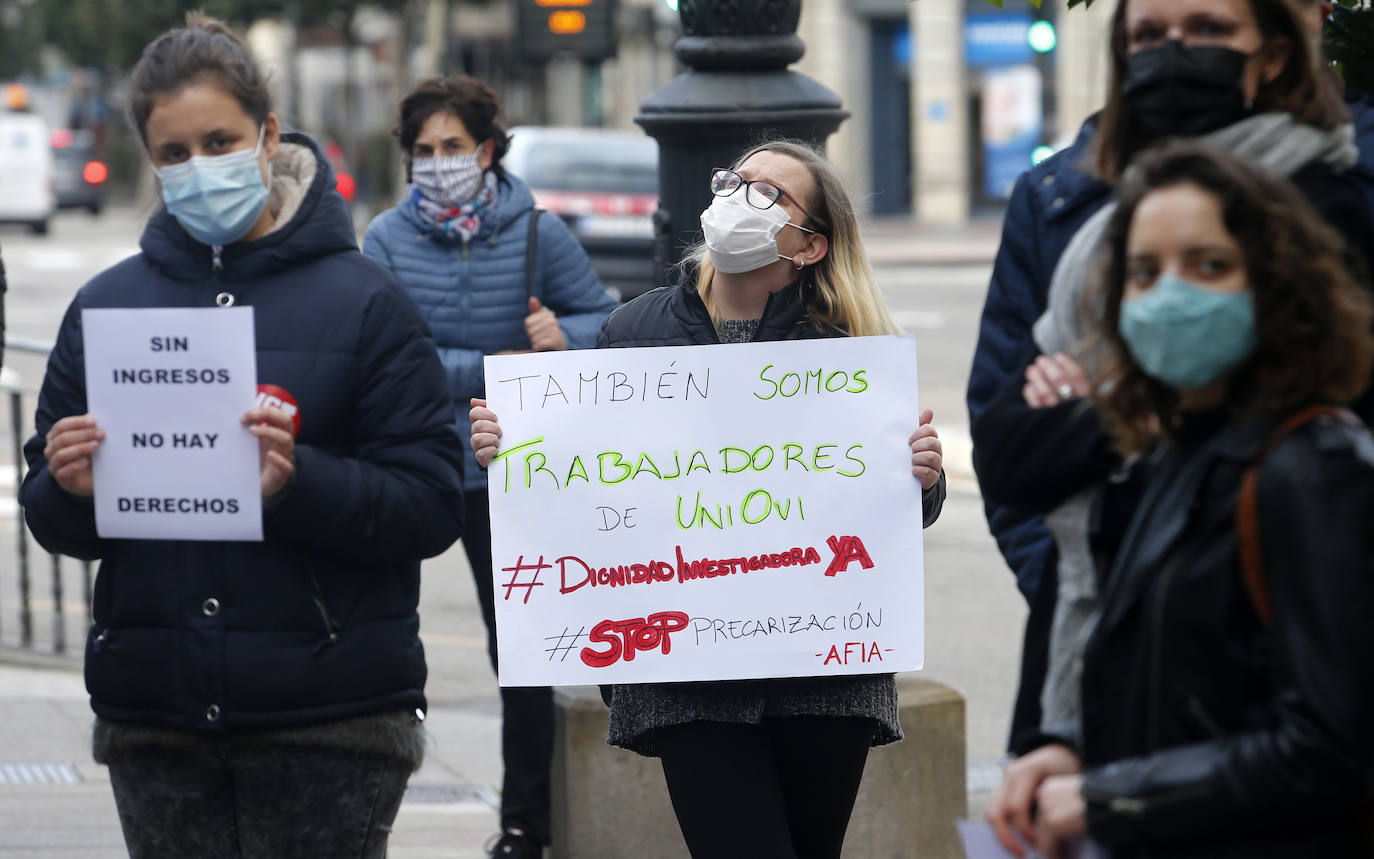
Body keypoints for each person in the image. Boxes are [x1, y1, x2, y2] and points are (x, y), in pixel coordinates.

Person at [18, 15, 466, 858]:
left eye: (218, 140)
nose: (198, 169)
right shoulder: (107, 306)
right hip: (157, 717)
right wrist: (64, 485)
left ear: (266, 135)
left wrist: (299, 483)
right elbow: (55, 514)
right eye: (174, 154)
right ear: (149, 160)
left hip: (329, 718)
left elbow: (431, 503)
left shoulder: (367, 302)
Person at [470, 139, 947, 859]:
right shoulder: (633, 332)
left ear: (811, 245)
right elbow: (584, 486)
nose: (738, 196)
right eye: (735, 180)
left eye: (768, 193)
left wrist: (925, 474)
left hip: (820, 670)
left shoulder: (851, 347)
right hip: (687, 670)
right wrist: (513, 451)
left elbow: (894, 511)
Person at [968, 0, 1374, 751]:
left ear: (1277, 51)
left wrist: (1104, 406)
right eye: (1149, 36)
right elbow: (1005, 449)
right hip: (1092, 641)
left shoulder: (1327, 199)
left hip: (1242, 667)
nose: (1175, 52)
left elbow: (1284, 416)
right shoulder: (1078, 209)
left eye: (1210, 30)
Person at [1013, 142, 1374, 858]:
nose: (1169, 295)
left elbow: (1332, 747)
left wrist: (1113, 797)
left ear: (1273, 281)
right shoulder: (1177, 451)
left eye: (1208, 265)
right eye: (1144, 272)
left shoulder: (1314, 466)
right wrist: (1074, 752)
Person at [362, 75, 616, 859]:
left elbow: (605, 317)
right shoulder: (386, 239)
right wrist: (495, 366)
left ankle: (524, 825)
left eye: (453, 148)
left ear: (488, 151)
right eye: (424, 151)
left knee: (522, 652)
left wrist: (562, 337)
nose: (439, 163)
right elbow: (386, 357)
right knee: (377, 642)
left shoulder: (537, 229)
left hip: (506, 470)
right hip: (410, 460)